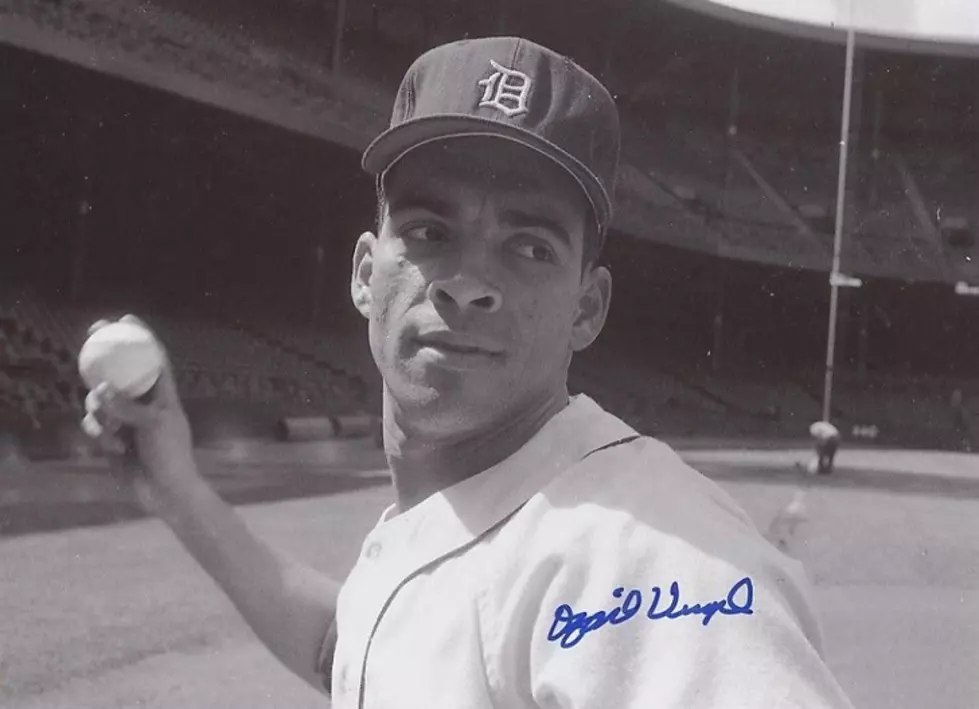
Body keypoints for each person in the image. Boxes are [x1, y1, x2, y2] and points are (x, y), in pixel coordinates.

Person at [81, 37, 855, 708]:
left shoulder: (647, 559)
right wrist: (177, 489)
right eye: (428, 229)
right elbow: (347, 651)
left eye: (528, 245)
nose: (465, 280)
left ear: (587, 306)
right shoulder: (471, 512)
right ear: (364, 273)